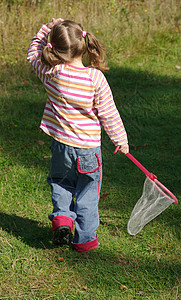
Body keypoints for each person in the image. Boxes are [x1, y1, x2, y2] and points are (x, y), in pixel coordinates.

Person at [27, 18, 129, 252]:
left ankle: (62, 219)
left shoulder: (51, 73)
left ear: (54, 48)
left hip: (61, 145)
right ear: (83, 44)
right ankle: (84, 240)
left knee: (61, 182)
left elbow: (33, 53)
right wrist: (120, 139)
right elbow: (109, 113)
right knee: (87, 191)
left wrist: (46, 29)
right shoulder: (95, 79)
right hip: (88, 150)